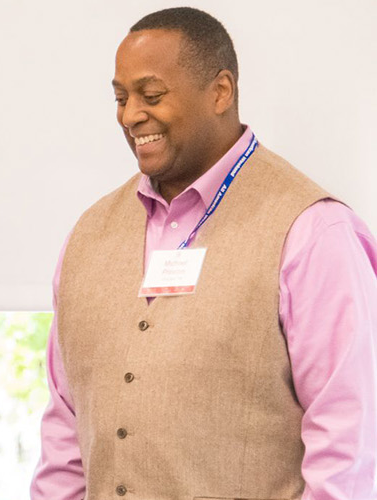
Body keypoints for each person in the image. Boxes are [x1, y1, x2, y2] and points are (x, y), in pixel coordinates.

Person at [32, 7, 377, 500]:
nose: (131, 115)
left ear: (220, 91)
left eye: (151, 96)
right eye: (121, 98)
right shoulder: (88, 236)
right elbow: (64, 433)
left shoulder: (314, 232)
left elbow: (347, 446)